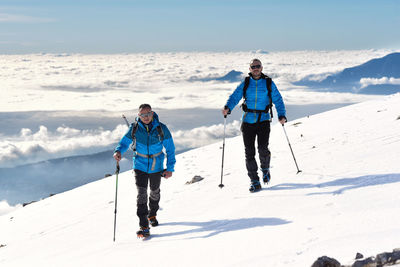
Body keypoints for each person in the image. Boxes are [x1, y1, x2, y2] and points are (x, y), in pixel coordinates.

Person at [222, 58, 287, 192]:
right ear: (250, 69)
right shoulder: (246, 82)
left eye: (258, 66)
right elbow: (235, 96)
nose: (256, 68)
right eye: (253, 67)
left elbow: (278, 99)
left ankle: (265, 169)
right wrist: (228, 107)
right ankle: (254, 181)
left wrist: (282, 115)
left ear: (262, 68)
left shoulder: (268, 82)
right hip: (248, 122)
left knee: (263, 149)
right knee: (249, 153)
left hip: (263, 120)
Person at [113, 104, 176, 237]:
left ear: (152, 114)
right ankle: (144, 226)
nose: (146, 117)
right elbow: (125, 142)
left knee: (154, 192)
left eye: (148, 114)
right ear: (138, 116)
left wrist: (170, 168)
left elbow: (170, 149)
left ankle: (152, 214)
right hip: (140, 165)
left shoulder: (161, 128)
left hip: (156, 165)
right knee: (141, 194)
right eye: (142, 115)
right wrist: (118, 151)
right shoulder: (134, 128)